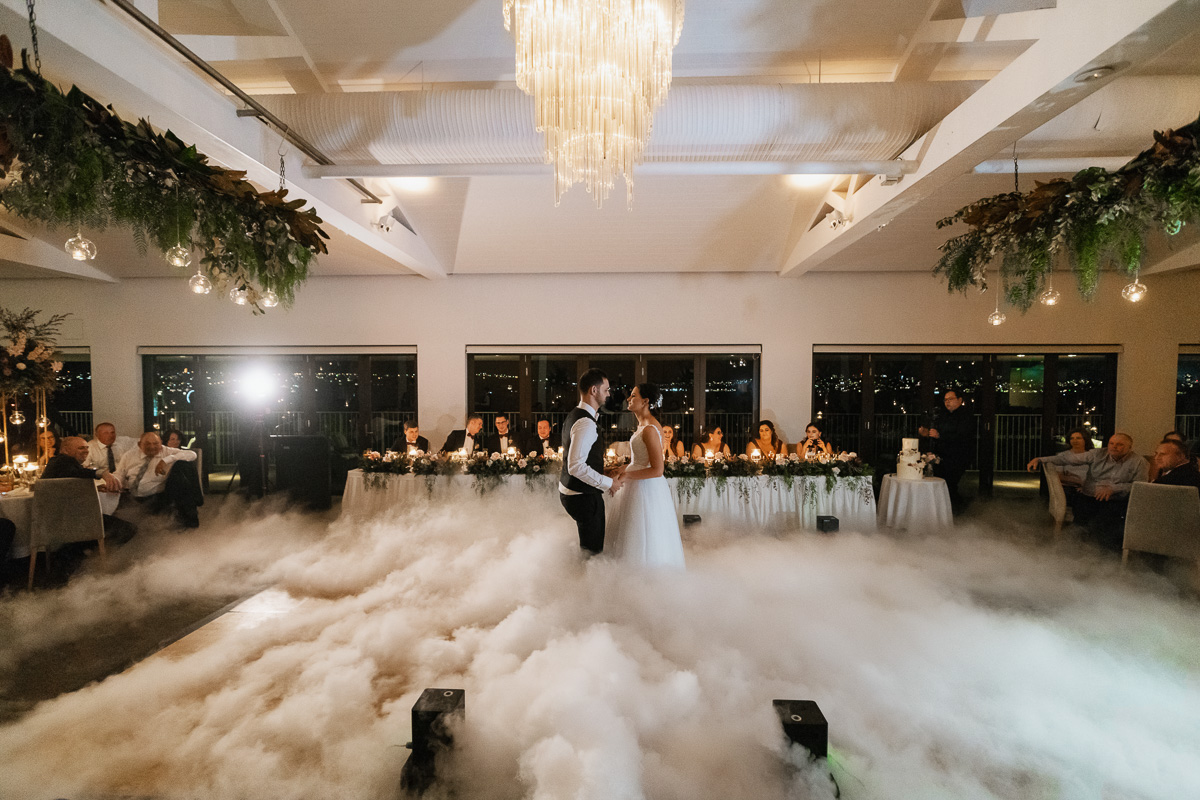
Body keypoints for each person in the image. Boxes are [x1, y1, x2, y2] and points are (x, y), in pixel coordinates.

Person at [606, 384, 685, 569]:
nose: (628, 399)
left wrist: (626, 476)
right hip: (636, 482)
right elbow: (641, 460)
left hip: (645, 488)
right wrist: (620, 469)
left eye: (633, 396)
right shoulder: (642, 425)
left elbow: (657, 470)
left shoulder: (650, 429)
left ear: (645, 401)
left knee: (641, 533)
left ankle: (643, 574)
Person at [1027, 432, 1149, 551]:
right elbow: (1069, 459)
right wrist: (1040, 459)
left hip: (1116, 500)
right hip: (1089, 497)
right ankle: (1076, 551)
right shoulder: (1097, 454)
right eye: (1111, 443)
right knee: (1081, 524)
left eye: (1120, 444)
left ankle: (1106, 554)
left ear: (1129, 447)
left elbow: (1139, 486)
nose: (1114, 447)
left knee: (1107, 524)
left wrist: (1114, 489)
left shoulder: (1139, 462)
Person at [559, 368, 623, 556]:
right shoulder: (585, 423)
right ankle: (585, 575)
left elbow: (580, 459)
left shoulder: (575, 414)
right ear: (594, 390)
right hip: (582, 496)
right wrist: (609, 483)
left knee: (589, 548)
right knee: (593, 552)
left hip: (573, 491)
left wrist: (603, 470)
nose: (609, 394)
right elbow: (576, 466)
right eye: (606, 390)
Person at [42, 436, 137, 544]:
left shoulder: (58, 463)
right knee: (128, 529)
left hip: (59, 519)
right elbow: (75, 472)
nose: (86, 451)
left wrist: (95, 488)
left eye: (87, 447)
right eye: (81, 448)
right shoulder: (62, 461)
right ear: (66, 450)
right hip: (67, 521)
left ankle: (88, 550)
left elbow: (66, 484)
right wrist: (101, 473)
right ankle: (96, 551)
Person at [114, 432, 204, 528]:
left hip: (156, 498)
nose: (152, 447)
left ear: (161, 443)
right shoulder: (129, 455)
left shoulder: (166, 451)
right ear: (139, 444)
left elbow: (192, 454)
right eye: (148, 444)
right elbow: (119, 474)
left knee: (184, 465)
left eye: (156, 443)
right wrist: (115, 482)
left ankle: (191, 513)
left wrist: (166, 460)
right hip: (130, 496)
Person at [919, 389, 973, 514]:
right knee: (944, 484)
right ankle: (945, 511)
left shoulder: (965, 416)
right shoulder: (944, 415)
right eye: (945, 400)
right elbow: (938, 433)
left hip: (958, 456)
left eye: (951, 399)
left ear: (959, 400)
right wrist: (927, 434)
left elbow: (961, 436)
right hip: (944, 456)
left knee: (950, 485)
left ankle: (957, 511)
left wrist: (940, 435)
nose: (947, 402)